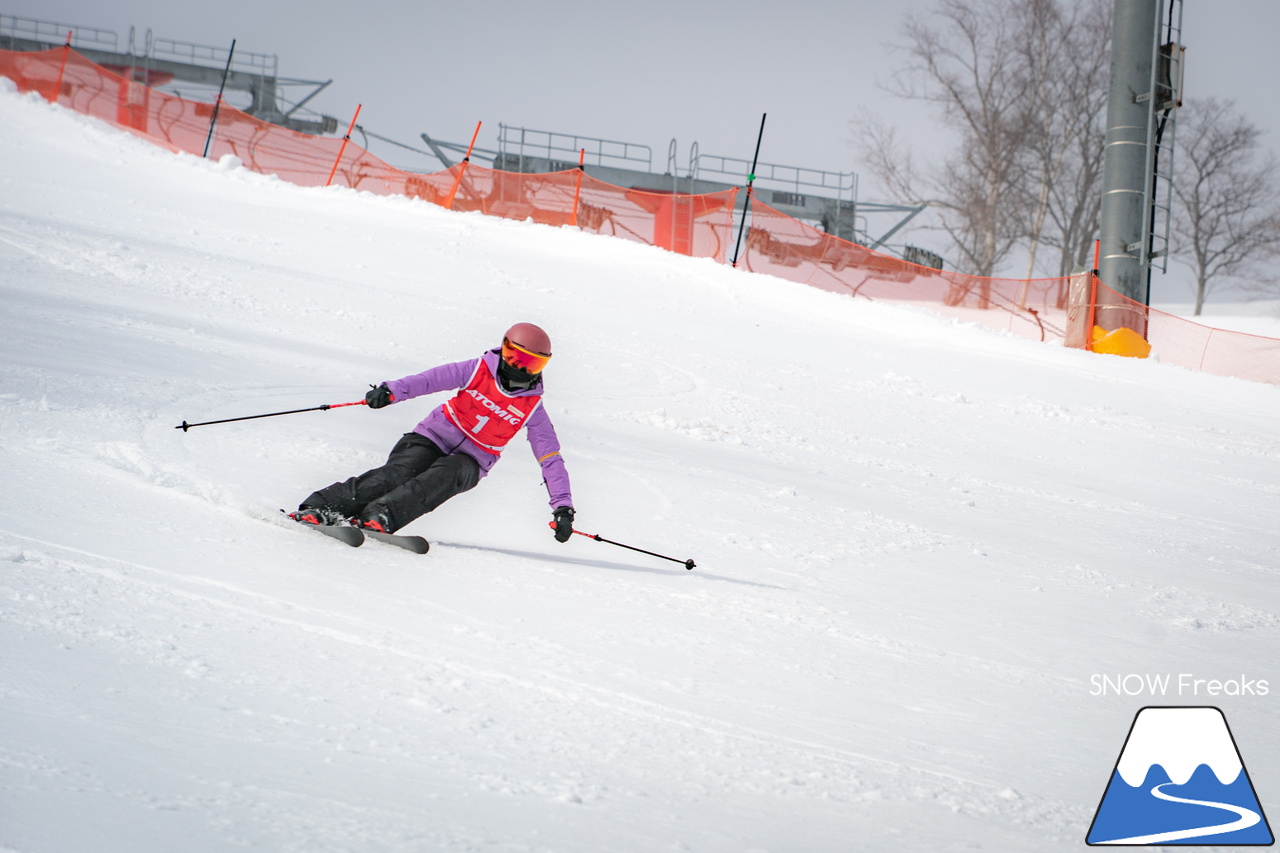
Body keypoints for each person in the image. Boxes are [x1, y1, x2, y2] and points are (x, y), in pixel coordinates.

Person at [290, 322, 575, 542]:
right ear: (504, 349)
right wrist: (391, 391)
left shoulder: (532, 408)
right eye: (515, 358)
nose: (520, 368)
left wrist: (563, 507)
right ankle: (323, 506)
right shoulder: (476, 370)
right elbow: (429, 380)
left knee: (444, 475)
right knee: (402, 471)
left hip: (472, 461)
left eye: (532, 363)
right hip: (432, 437)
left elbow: (550, 457)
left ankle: (380, 516)